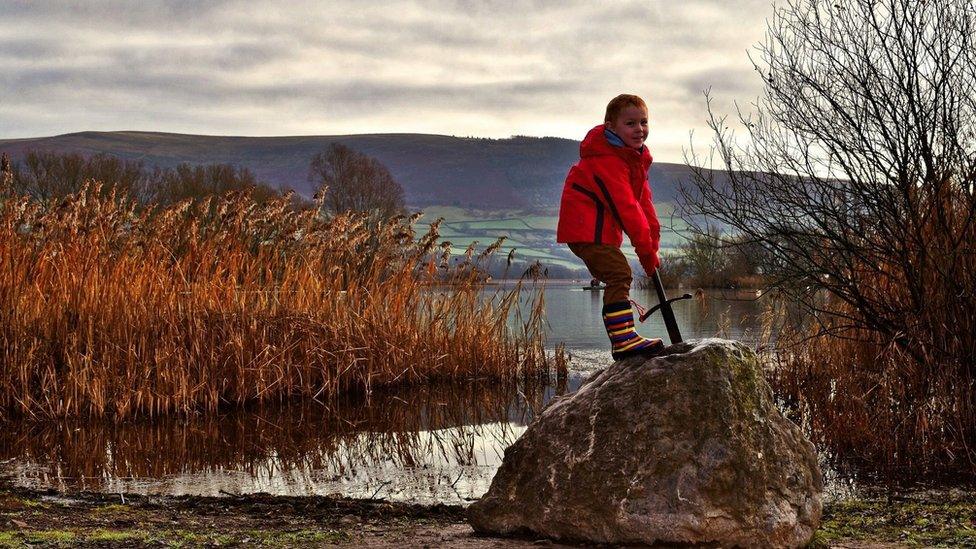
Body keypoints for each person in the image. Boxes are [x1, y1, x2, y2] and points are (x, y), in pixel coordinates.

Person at [556, 94, 664, 360]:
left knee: (619, 273)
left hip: (598, 231)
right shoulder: (607, 160)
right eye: (630, 123)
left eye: (643, 122)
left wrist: (653, 244)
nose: (639, 129)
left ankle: (626, 337)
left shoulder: (632, 159)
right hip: (586, 231)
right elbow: (626, 208)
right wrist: (645, 252)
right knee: (619, 273)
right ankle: (623, 341)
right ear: (611, 127)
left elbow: (644, 205)